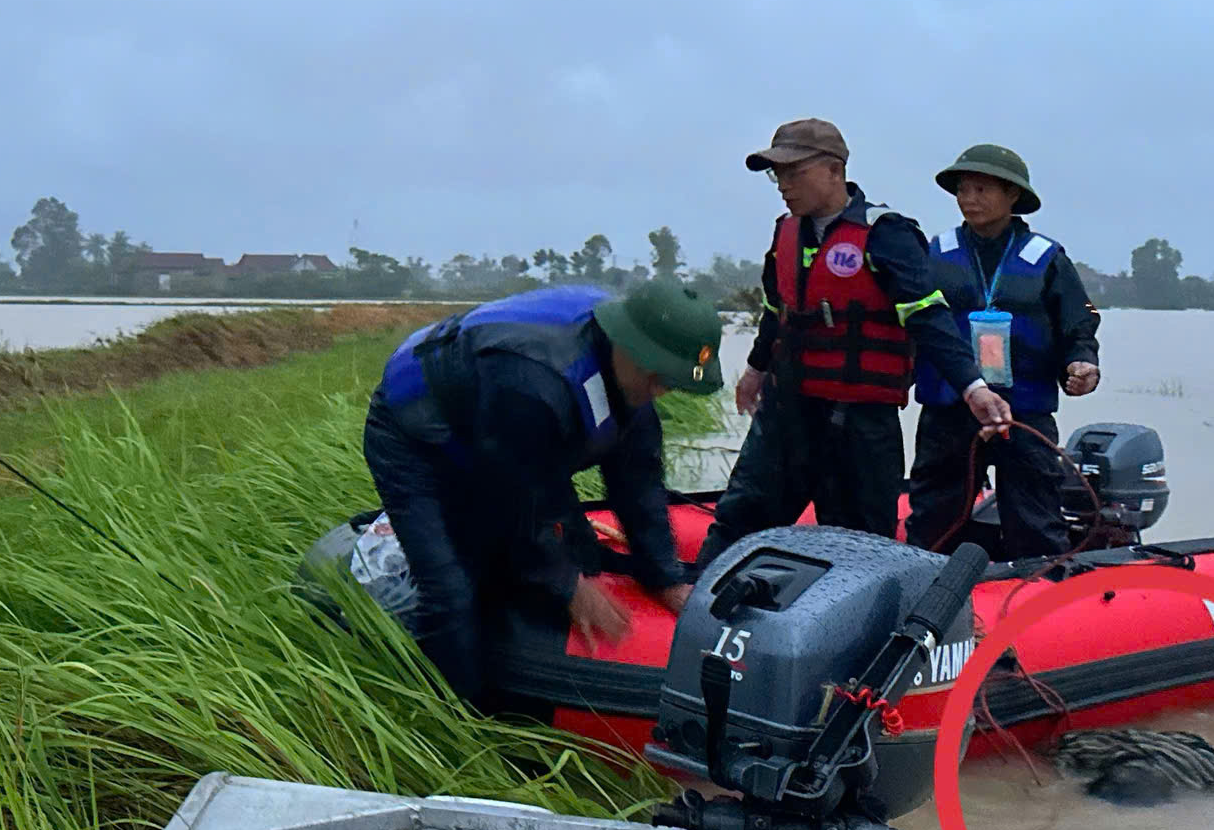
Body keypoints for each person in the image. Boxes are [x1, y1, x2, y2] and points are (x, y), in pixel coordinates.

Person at [362, 279, 724, 711]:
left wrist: (664, 578)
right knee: (451, 591)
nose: (660, 390)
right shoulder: (533, 379)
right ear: (626, 346)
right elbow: (511, 494)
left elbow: (639, 484)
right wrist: (566, 583)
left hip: (505, 438)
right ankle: (454, 719)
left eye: (672, 381)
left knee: (584, 558)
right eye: (656, 376)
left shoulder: (629, 378)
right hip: (418, 436)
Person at [695, 119, 1010, 570]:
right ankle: (693, 607)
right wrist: (755, 370)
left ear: (834, 170)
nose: (783, 185)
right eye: (776, 175)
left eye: (793, 173)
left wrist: (973, 387)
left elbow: (929, 319)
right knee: (741, 518)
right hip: (788, 413)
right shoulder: (784, 233)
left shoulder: (888, 234)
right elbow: (775, 312)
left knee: (858, 547)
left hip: (859, 423)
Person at [905, 144, 1102, 557]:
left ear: (1013, 196)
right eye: (962, 190)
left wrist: (1082, 360)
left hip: (1024, 413)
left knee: (1036, 521)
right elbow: (914, 324)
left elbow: (1079, 319)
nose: (968, 200)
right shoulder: (935, 254)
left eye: (981, 189)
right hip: (949, 410)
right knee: (933, 521)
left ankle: (1039, 603)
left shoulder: (1047, 258)